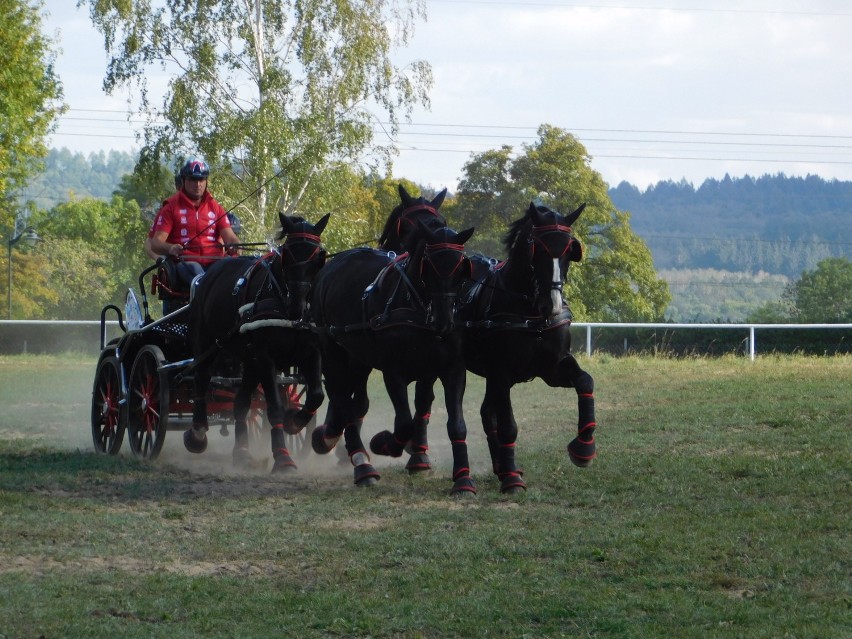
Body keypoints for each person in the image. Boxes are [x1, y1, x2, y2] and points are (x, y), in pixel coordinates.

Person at [147, 157, 240, 286]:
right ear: (184, 180)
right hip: (187, 263)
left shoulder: (216, 207)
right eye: (192, 179)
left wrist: (235, 245)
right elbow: (155, 243)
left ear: (206, 181)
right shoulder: (170, 208)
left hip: (216, 261)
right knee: (196, 272)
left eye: (201, 179)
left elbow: (230, 237)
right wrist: (171, 248)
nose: (197, 184)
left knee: (237, 272)